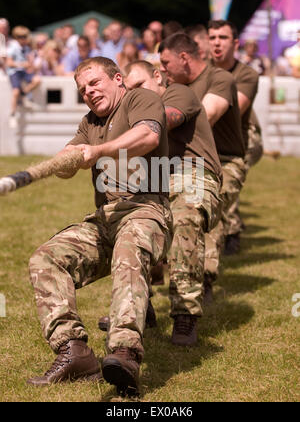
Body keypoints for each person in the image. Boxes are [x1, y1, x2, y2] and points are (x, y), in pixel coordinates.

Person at [27, 56, 173, 396]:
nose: (89, 92)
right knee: (45, 259)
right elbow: (70, 159)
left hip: (145, 209)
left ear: (118, 79)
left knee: (128, 250)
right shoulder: (89, 122)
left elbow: (147, 137)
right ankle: (74, 351)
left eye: (94, 83)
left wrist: (99, 151)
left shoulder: (141, 99)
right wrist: (64, 160)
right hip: (105, 217)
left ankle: (124, 354)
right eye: (82, 89)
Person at [123, 60, 223, 346]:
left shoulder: (178, 92)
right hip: (157, 180)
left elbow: (164, 120)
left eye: (140, 85)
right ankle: (138, 308)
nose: (136, 93)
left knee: (184, 216)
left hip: (194, 173)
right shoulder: (132, 111)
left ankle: (185, 313)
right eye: (129, 90)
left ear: (158, 76)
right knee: (127, 224)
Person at [159, 33, 246, 302]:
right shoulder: (173, 86)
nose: (162, 70)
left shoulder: (220, 78)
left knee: (203, 210)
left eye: (165, 63)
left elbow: (206, 116)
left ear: (184, 58)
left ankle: (204, 278)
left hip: (225, 160)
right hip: (185, 163)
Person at [208, 20, 263, 255]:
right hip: (211, 136)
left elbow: (232, 111)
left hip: (246, 137)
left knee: (226, 180)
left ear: (236, 43)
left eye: (223, 37)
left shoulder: (246, 74)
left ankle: (232, 232)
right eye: (212, 37)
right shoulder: (203, 70)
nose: (217, 43)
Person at [6, 26, 41, 128]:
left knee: (37, 80)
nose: (23, 39)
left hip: (24, 71)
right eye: (21, 37)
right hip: (14, 71)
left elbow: (30, 64)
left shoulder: (27, 48)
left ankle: (23, 94)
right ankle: (12, 114)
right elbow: (9, 63)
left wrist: (30, 63)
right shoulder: (12, 47)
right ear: (16, 37)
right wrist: (22, 64)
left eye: (25, 36)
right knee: (15, 91)